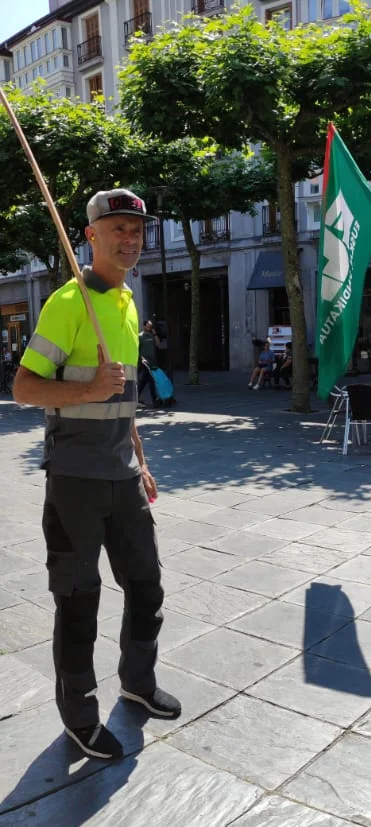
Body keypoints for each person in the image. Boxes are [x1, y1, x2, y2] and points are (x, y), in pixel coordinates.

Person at [12, 189, 180, 759]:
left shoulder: (128, 302)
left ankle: (137, 682)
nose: (129, 239)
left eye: (137, 230)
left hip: (124, 477)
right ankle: (79, 718)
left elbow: (124, 403)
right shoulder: (68, 303)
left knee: (147, 587)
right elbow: (24, 388)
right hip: (75, 481)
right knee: (78, 600)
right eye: (117, 230)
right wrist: (86, 390)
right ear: (91, 236)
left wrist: (143, 461)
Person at [136, 319, 162, 406]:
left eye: (151, 326)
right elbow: (137, 350)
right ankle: (155, 400)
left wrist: (154, 334)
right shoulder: (140, 336)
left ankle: (136, 397)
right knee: (151, 379)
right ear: (144, 326)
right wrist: (141, 359)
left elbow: (158, 344)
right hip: (144, 362)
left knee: (145, 380)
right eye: (148, 326)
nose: (150, 328)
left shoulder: (152, 335)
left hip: (152, 361)